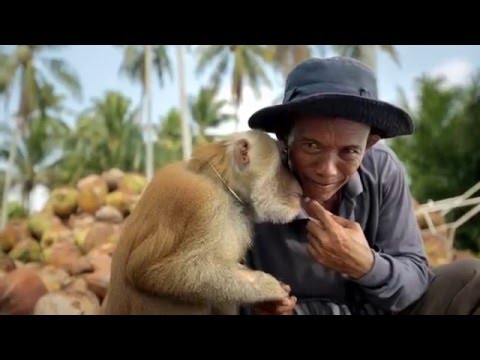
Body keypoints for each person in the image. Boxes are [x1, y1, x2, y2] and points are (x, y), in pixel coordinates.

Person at [242, 56, 480, 315]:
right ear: (284, 137)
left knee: (471, 277)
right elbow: (220, 281)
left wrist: (366, 265)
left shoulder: (383, 170)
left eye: (349, 152)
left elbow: (416, 280)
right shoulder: (250, 181)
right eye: (311, 146)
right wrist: (259, 302)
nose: (327, 170)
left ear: (369, 145)